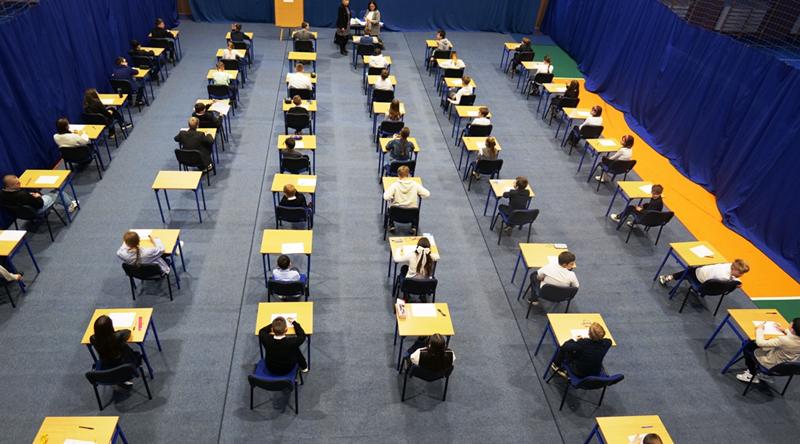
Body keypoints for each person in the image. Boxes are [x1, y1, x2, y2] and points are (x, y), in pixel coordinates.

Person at [737, 318, 800, 384]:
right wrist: (784, 330)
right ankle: (765, 376)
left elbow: (760, 343)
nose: (789, 323)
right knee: (766, 347)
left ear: (792, 330)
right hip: (786, 367)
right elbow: (793, 337)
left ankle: (751, 374)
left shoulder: (784, 340)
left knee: (748, 345)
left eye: (791, 324)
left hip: (771, 365)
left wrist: (759, 329)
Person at [90, 315, 141, 387]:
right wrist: (115, 332)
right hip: (123, 365)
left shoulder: (93, 339)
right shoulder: (117, 337)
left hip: (106, 365)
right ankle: (122, 378)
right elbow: (128, 332)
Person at [383, 166, 430, 233]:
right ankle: (414, 226)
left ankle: (391, 225)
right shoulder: (415, 184)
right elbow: (427, 194)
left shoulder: (394, 185)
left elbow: (385, 197)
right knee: (415, 209)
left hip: (396, 214)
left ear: (398, 175)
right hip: (411, 214)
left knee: (390, 207)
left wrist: (392, 196)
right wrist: (419, 194)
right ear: (408, 174)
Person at [0, 174, 77, 214]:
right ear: (9, 186)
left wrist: (30, 196)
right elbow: (40, 204)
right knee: (57, 192)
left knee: (34, 190)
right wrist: (38, 197)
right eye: (17, 183)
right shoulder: (22, 195)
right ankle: (71, 205)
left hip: (19, 214)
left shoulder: (1, 194)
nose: (20, 183)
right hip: (36, 210)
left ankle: (56, 202)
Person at [659, 258, 750, 287]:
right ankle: (669, 277)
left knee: (690, 269)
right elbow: (731, 280)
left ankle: (669, 277)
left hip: (703, 280)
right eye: (741, 273)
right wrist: (735, 284)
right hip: (703, 281)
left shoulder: (728, 265)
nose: (741, 275)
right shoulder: (725, 278)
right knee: (691, 270)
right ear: (734, 269)